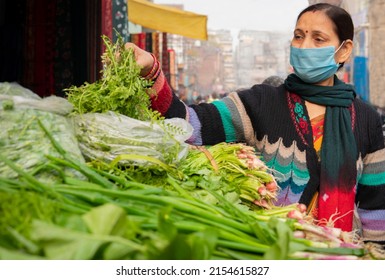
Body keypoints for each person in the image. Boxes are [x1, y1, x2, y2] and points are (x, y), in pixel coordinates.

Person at [125, 3, 385, 244]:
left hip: (341, 257)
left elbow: (375, 209)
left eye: (318, 39)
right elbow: (191, 125)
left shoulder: (366, 119)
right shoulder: (262, 102)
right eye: (298, 36)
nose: (304, 46)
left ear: (345, 49)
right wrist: (150, 72)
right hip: (270, 250)